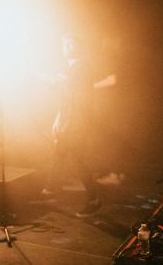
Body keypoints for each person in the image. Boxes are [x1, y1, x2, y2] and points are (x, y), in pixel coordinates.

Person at [41, 34, 101, 217]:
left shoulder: (81, 68)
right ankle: (50, 190)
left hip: (76, 122)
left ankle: (93, 199)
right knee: (60, 154)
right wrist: (58, 119)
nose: (65, 47)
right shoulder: (74, 69)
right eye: (64, 44)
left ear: (77, 47)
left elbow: (77, 99)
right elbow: (67, 99)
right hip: (71, 119)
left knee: (77, 161)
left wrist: (65, 121)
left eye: (69, 44)